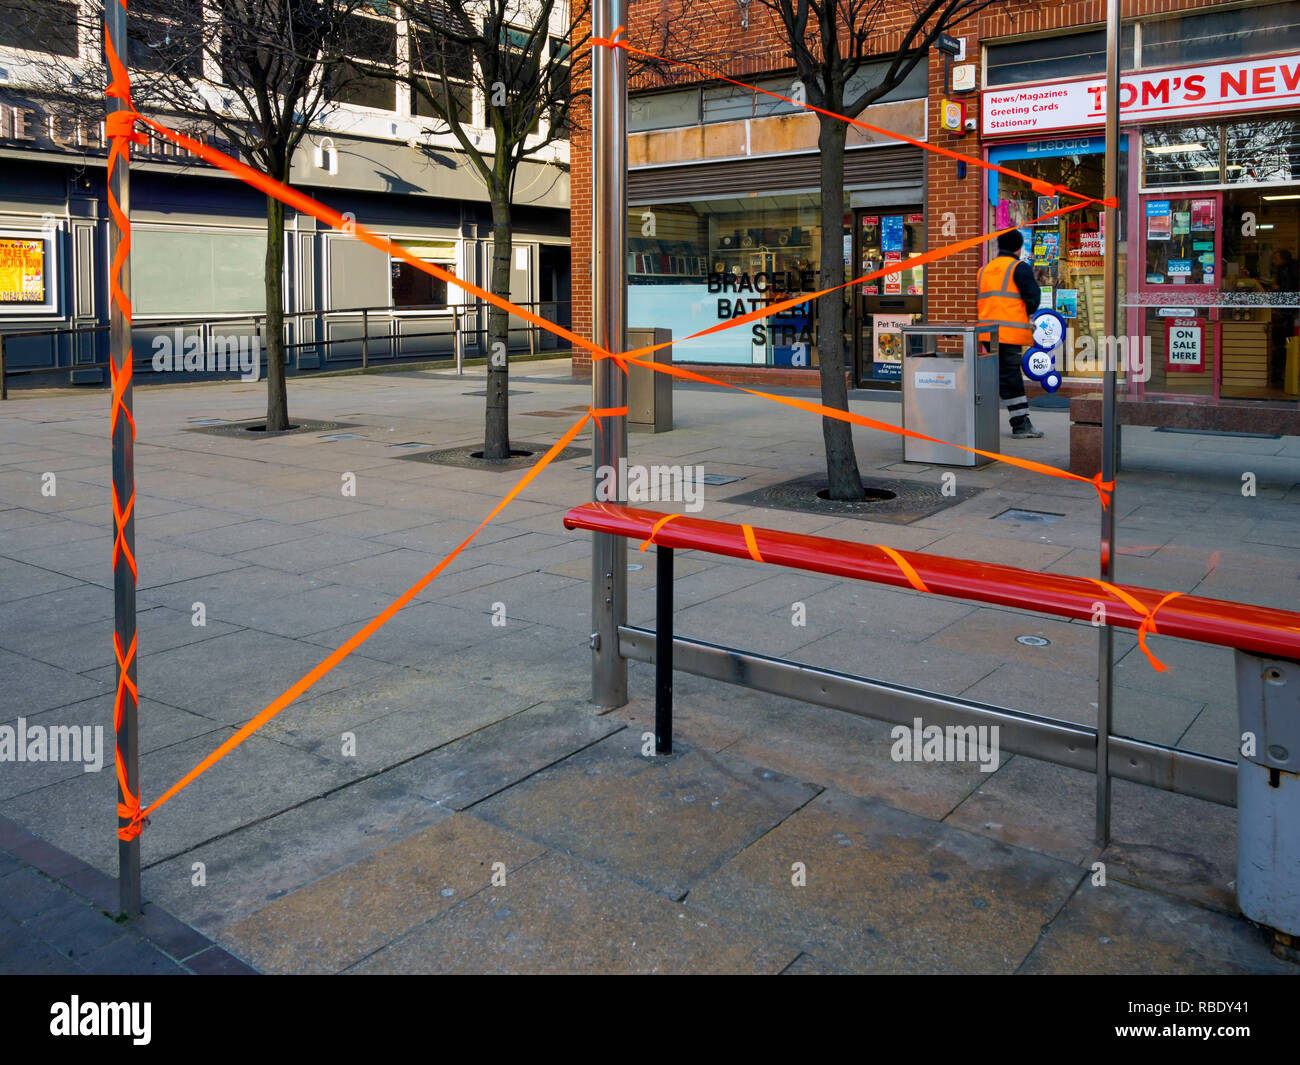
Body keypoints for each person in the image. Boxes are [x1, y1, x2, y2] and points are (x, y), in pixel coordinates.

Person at [977, 229, 1043, 438]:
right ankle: (1021, 424)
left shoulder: (985, 270)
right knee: (1011, 377)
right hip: (1008, 333)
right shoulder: (1019, 267)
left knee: (995, 375)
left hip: (988, 334)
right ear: (1019, 247)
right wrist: (1029, 313)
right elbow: (1033, 297)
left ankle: (981, 421)